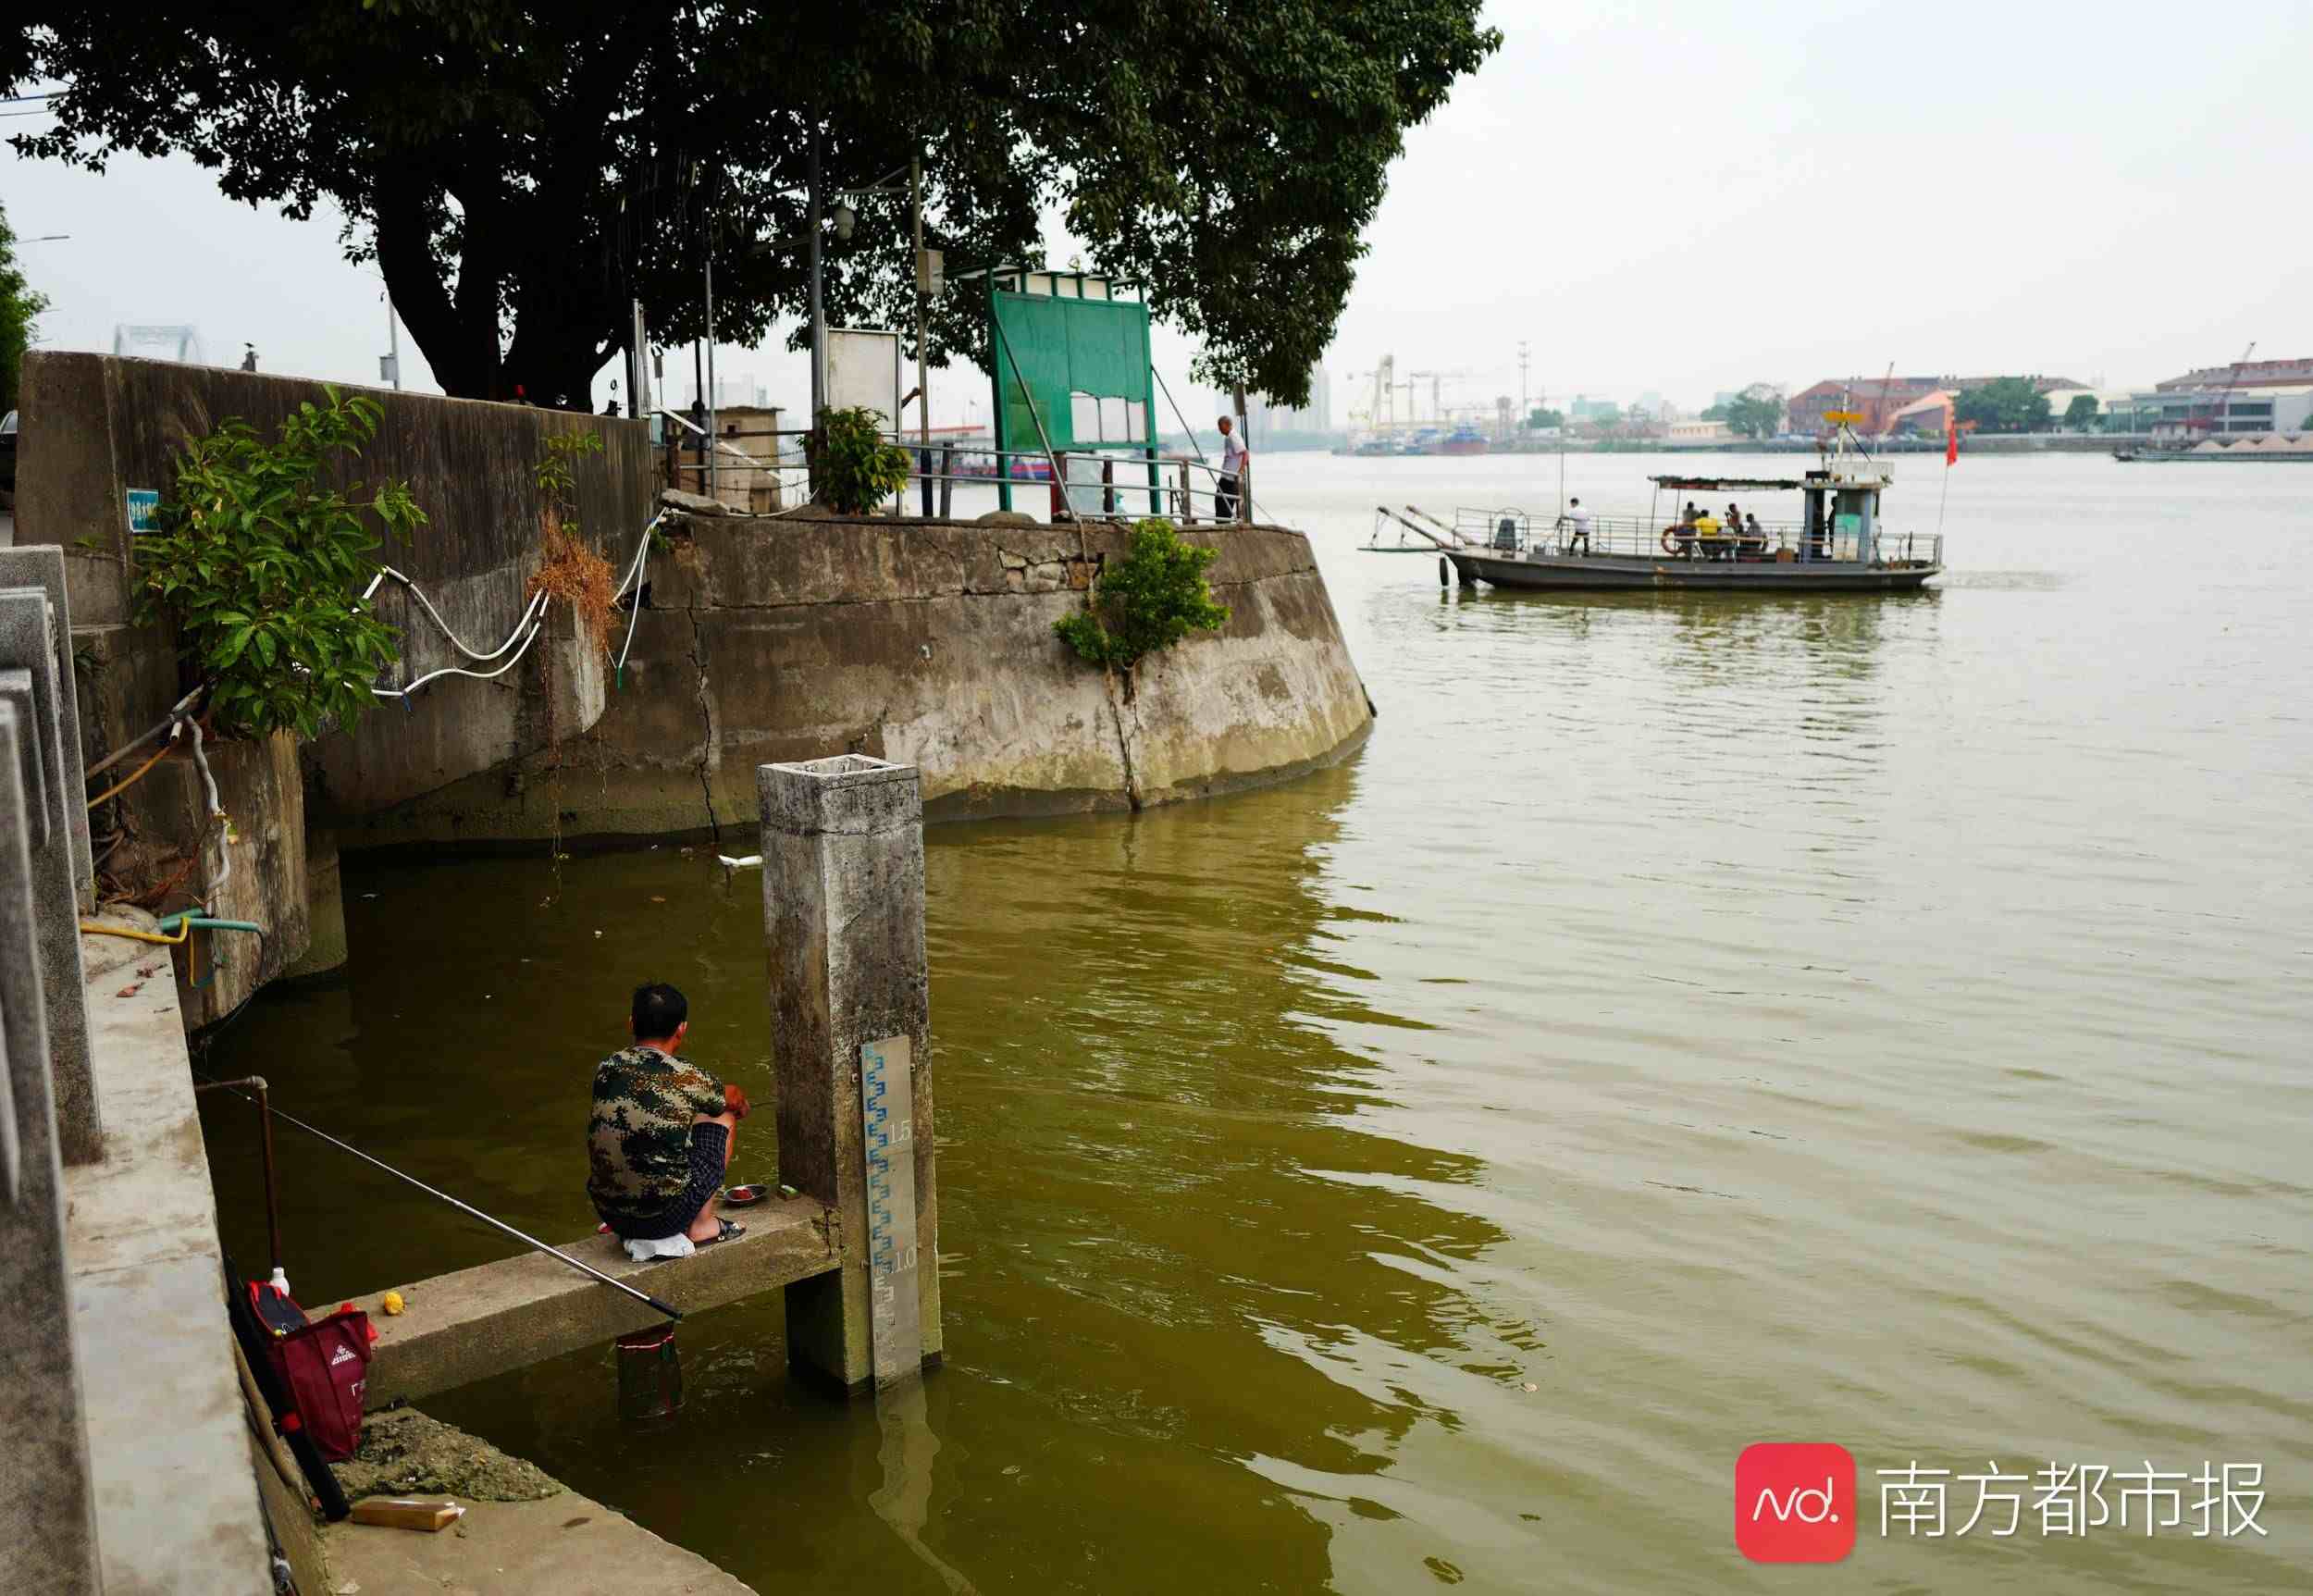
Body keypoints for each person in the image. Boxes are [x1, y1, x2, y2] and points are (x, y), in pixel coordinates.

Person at [588, 982, 749, 1253]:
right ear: (681, 1029)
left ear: (631, 1024)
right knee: (722, 1116)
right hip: (663, 1219)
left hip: (609, 1212)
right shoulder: (687, 1077)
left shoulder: (607, 1068)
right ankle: (702, 1225)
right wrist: (740, 1104)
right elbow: (731, 1097)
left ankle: (625, 1215)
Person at [1216, 415, 1248, 521]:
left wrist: (1241, 469)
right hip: (1225, 476)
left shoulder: (1234, 437)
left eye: (1220, 426)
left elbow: (1245, 453)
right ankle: (1221, 523)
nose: (1219, 429)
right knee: (1219, 500)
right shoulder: (1228, 437)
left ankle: (1224, 524)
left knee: (1225, 503)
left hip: (1231, 478)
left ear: (1226, 425)